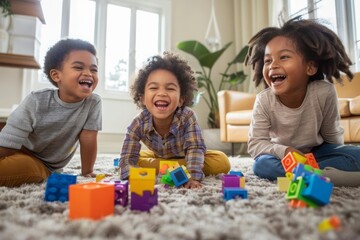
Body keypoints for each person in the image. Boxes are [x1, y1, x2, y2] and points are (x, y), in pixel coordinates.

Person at [245, 17, 360, 187]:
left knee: (356, 154)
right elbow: (256, 144)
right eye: (268, 60)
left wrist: (341, 154)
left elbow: (332, 137)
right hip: (281, 157)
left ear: (310, 67)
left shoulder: (324, 92)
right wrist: (285, 151)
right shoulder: (264, 100)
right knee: (261, 165)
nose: (272, 65)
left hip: (317, 153)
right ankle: (324, 176)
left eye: (283, 57)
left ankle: (311, 174)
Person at [119, 51, 230, 189]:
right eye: (153, 87)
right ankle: (173, 168)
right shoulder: (138, 122)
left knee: (222, 161)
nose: (162, 93)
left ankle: (167, 166)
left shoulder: (187, 117)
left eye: (170, 88)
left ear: (181, 100)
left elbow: (195, 148)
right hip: (157, 156)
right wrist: (130, 174)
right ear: (142, 97)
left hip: (187, 155)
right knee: (131, 159)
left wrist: (193, 176)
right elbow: (128, 156)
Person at [0, 38, 102, 187]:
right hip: (16, 149)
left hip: (41, 164)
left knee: (14, 169)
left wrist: (87, 171)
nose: (88, 73)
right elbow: (10, 137)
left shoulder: (93, 102)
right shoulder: (36, 100)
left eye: (94, 69)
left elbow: (88, 137)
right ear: (56, 75)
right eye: (79, 68)